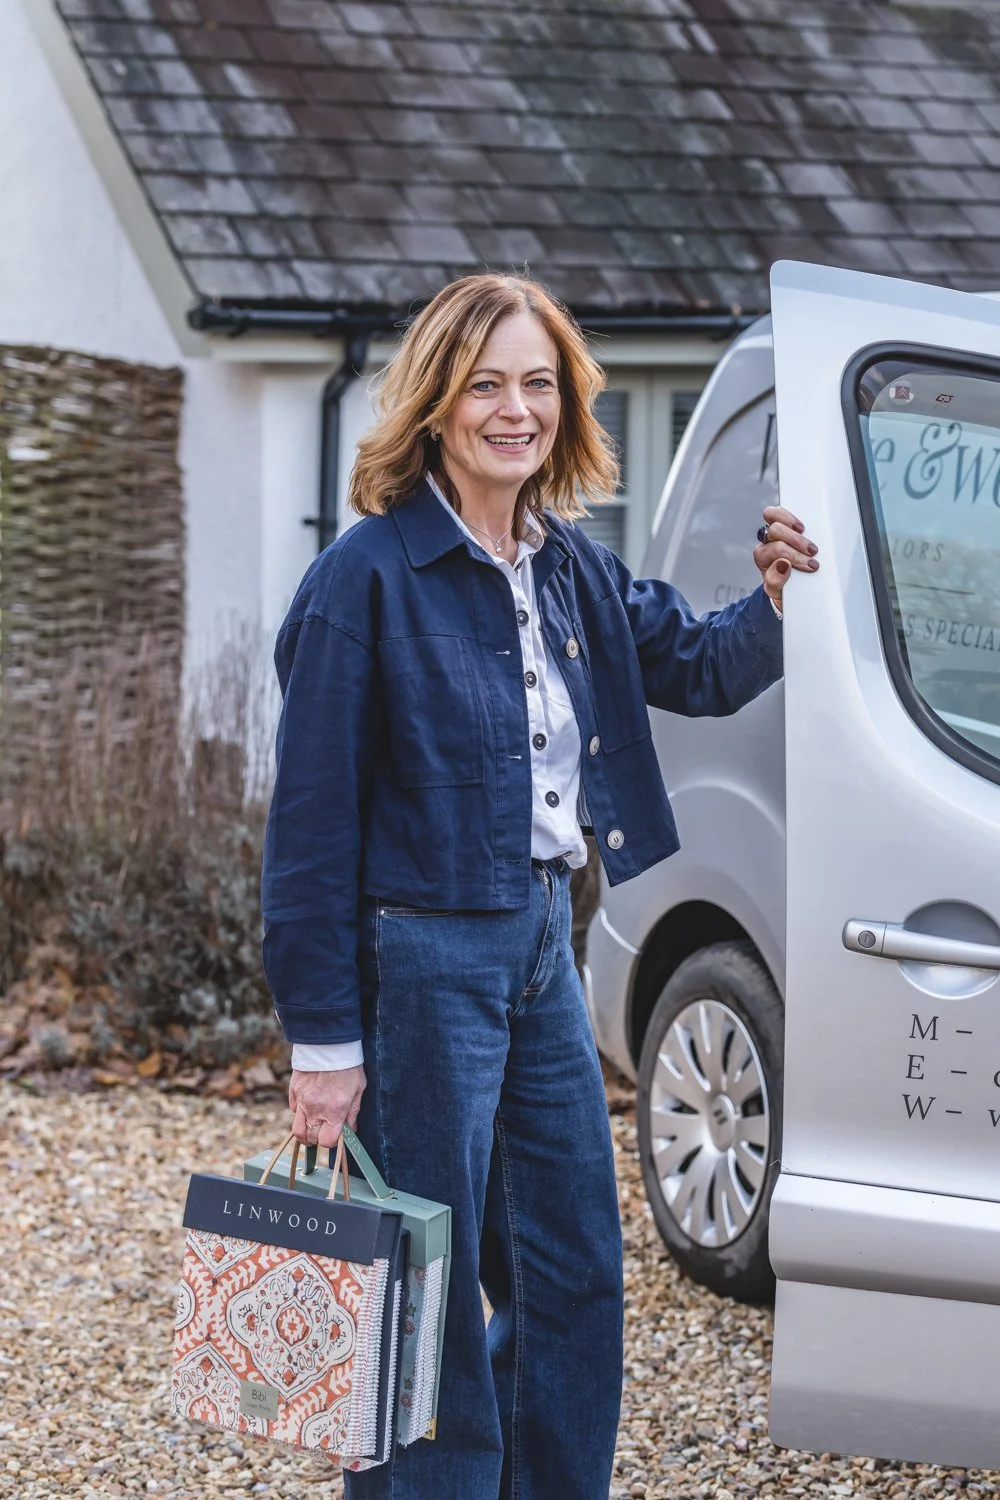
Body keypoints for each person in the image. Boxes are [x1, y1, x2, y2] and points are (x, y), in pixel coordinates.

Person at [260, 273, 818, 1500]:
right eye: (486, 386)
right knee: (426, 1285)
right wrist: (323, 1045)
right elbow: (304, 834)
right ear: (436, 406)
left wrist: (776, 596)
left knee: (572, 1268)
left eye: (538, 384)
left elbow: (702, 663)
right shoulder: (365, 580)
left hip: (537, 946)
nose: (515, 409)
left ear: (565, 405)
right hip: (416, 958)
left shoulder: (568, 567)